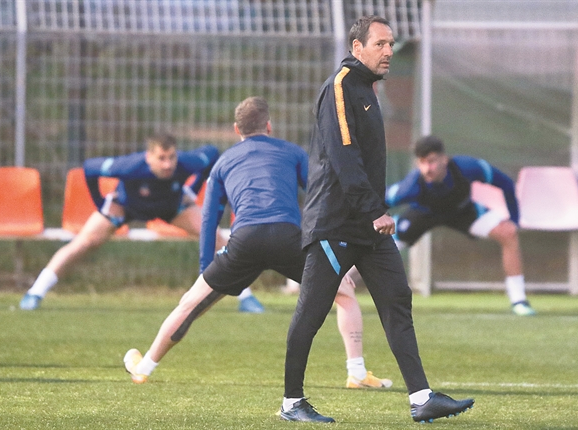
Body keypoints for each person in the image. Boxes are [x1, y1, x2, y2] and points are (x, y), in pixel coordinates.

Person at [280, 16, 474, 424]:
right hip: (335, 223)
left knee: (397, 300)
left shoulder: (367, 88)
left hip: (366, 225)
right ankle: (291, 403)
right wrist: (375, 211)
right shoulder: (340, 87)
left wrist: (372, 213)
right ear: (357, 48)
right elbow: (344, 157)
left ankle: (421, 397)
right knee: (312, 312)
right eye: (381, 44)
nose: (389, 51)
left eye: (391, 44)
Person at [123, 96, 392, 390]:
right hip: (288, 237)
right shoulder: (292, 152)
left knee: (190, 304)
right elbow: (321, 195)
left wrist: (205, 268)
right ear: (269, 126)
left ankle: (144, 367)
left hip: (245, 241)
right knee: (345, 291)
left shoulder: (223, 163)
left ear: (236, 129)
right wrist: (329, 245)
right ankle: (356, 373)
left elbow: (209, 220)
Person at [19, 134, 262, 313]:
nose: (168, 164)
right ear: (149, 157)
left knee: (216, 238)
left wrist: (192, 189)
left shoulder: (186, 162)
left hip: (172, 207)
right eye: (161, 158)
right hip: (126, 206)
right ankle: (35, 293)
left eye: (171, 157)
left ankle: (246, 297)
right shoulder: (131, 166)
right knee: (83, 242)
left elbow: (211, 154)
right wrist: (101, 203)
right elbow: (90, 168)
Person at [386, 135, 536, 316]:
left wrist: (514, 220)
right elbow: (379, 201)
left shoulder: (468, 168)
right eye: (422, 163)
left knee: (508, 233)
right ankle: (350, 290)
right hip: (422, 215)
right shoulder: (410, 186)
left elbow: (506, 183)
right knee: (376, 246)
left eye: (432, 161)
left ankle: (519, 301)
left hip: (463, 212)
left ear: (444, 159)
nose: (427, 169)